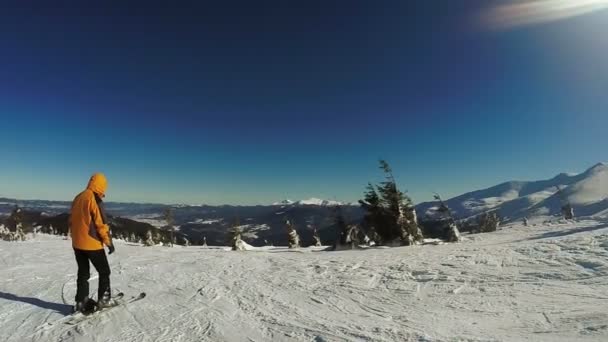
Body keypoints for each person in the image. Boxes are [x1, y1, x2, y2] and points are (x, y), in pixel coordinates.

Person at [69, 173, 115, 313]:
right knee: (104, 271)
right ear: (102, 185)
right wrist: (109, 242)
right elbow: (101, 224)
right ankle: (104, 300)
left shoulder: (78, 197)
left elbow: (72, 220)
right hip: (92, 244)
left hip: (77, 243)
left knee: (83, 273)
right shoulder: (94, 199)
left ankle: (80, 302)